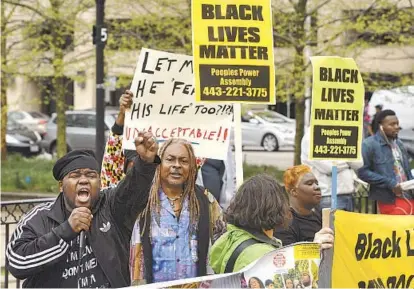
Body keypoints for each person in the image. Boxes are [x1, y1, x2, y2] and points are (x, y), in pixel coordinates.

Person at [6, 133, 159, 288]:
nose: (84, 180)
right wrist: (66, 231)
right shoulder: (40, 218)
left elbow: (133, 189)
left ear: (99, 183)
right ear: (61, 186)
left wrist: (145, 163)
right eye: (75, 175)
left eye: (91, 175)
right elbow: (17, 263)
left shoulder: (111, 206)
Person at [209, 174, 334, 274]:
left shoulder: (231, 238)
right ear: (275, 207)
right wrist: (314, 252)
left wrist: (314, 248)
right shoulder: (261, 254)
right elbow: (290, 280)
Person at [358, 109, 414, 215]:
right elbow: (362, 172)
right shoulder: (369, 145)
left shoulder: (399, 144)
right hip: (389, 199)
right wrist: (390, 183)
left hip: (409, 195)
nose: (396, 127)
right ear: (381, 127)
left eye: (397, 124)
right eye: (392, 124)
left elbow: (405, 171)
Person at [301, 128, 362, 211]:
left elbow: (359, 163)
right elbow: (328, 167)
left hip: (348, 194)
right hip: (328, 195)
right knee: (330, 224)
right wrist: (348, 160)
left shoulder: (345, 133)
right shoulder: (311, 136)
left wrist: (341, 160)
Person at [275, 165, 335, 246]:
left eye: (317, 183)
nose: (317, 187)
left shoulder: (320, 215)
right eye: (310, 184)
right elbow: (289, 256)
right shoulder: (284, 224)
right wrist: (315, 246)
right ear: (294, 192)